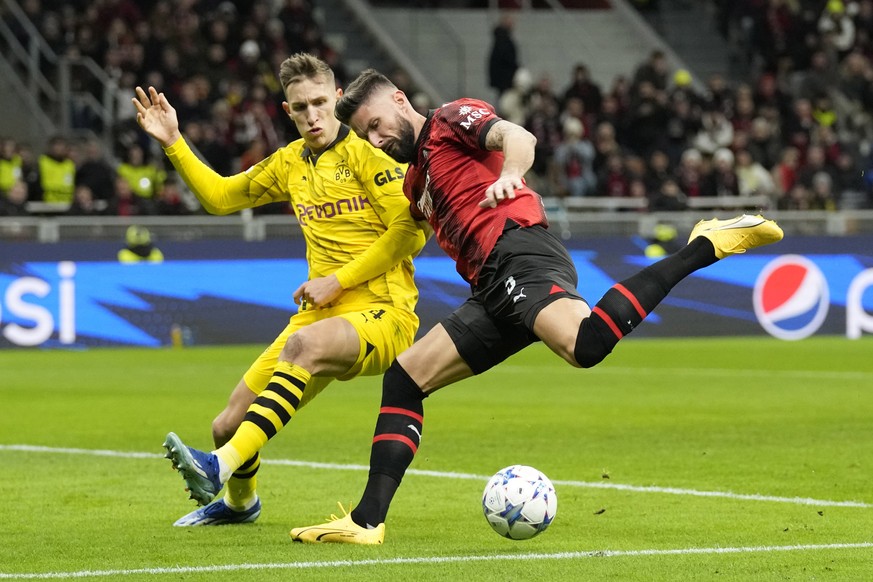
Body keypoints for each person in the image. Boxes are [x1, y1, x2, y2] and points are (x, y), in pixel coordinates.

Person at [288, 69, 784, 545]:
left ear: (398, 100)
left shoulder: (450, 119)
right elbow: (407, 227)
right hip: (491, 286)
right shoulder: (414, 183)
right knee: (406, 377)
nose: (376, 140)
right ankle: (366, 521)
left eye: (375, 125)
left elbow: (518, 135)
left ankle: (705, 245)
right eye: (364, 134)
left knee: (585, 346)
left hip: (520, 252)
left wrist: (510, 175)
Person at [131, 53, 427, 526]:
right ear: (286, 111)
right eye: (299, 107)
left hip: (383, 312)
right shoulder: (289, 163)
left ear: (336, 98)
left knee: (303, 346)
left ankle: (218, 466)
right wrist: (174, 142)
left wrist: (338, 281)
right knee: (225, 424)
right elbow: (221, 197)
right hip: (320, 313)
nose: (311, 116)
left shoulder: (372, 157)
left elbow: (410, 233)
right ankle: (239, 503)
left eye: (318, 103)